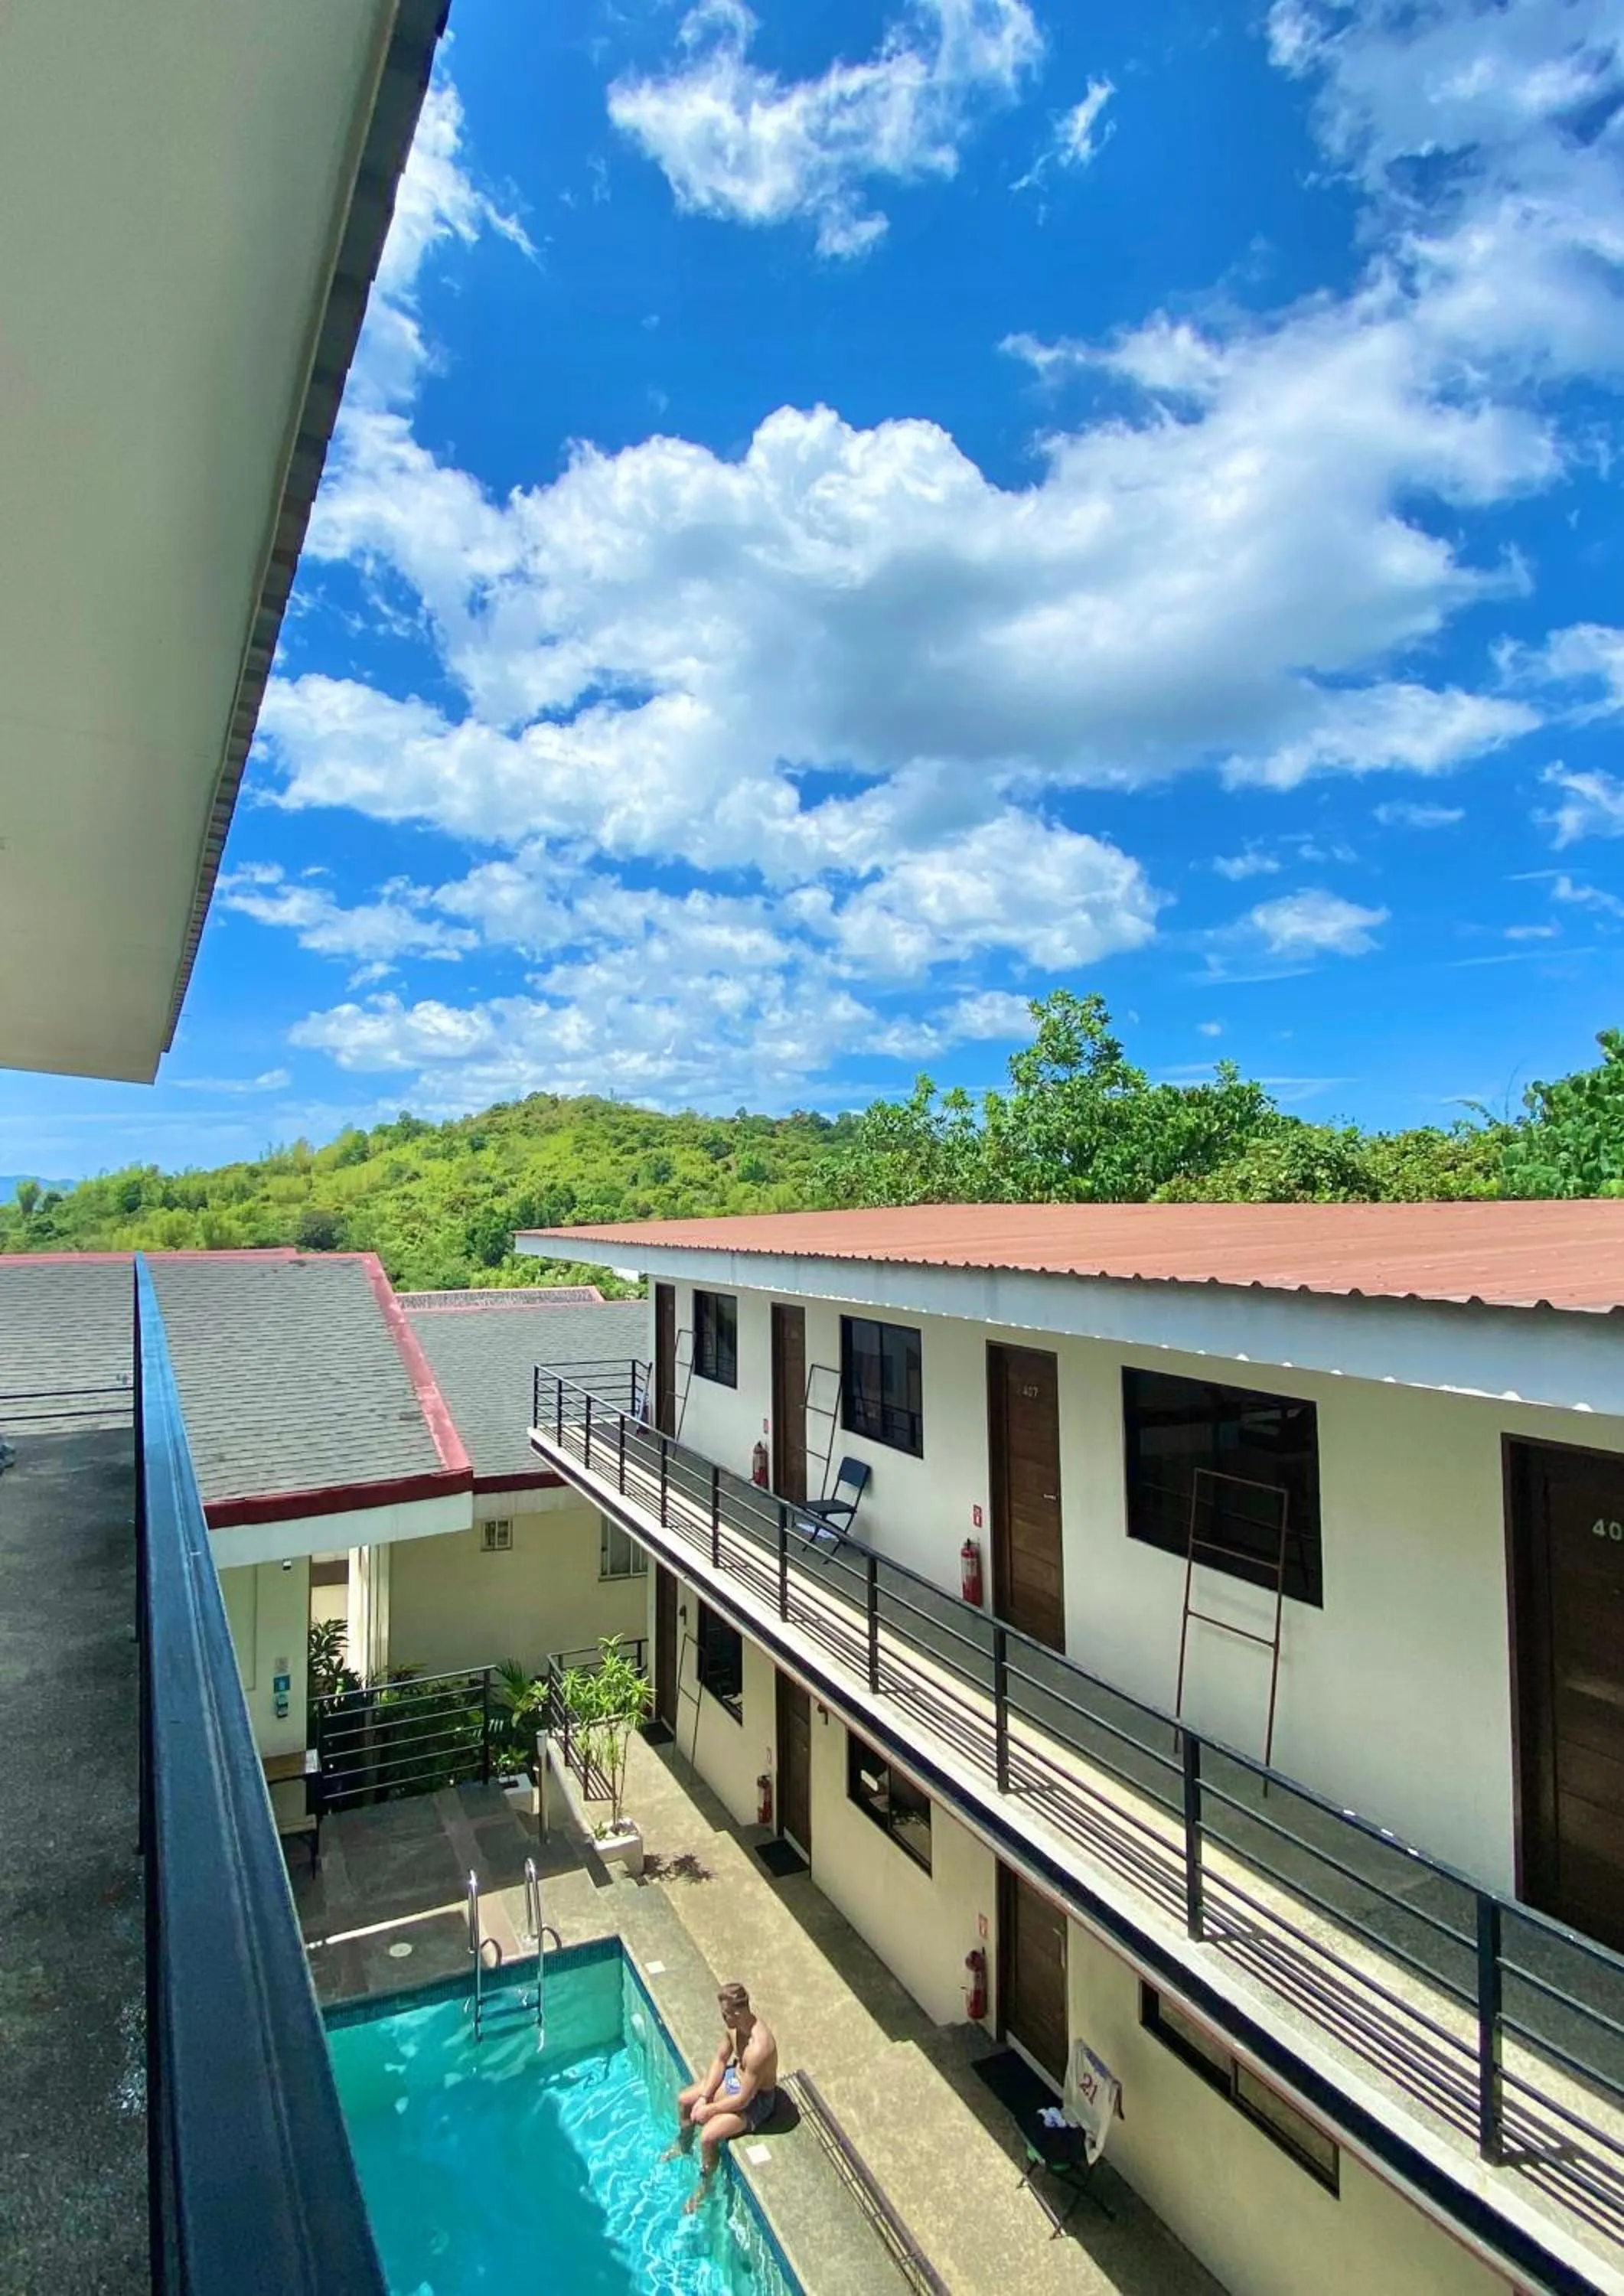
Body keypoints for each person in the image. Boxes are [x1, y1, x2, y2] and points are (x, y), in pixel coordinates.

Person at [664, 1981, 779, 2211]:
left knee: (708, 2137)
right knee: (684, 2100)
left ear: (738, 2012)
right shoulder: (734, 2027)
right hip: (735, 2081)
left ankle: (704, 2188)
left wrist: (709, 2110)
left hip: (755, 2101)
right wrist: (704, 2097)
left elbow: (743, 2100)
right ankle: (684, 2144)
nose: (722, 2018)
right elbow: (720, 2060)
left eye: (725, 2014)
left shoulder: (759, 2049)